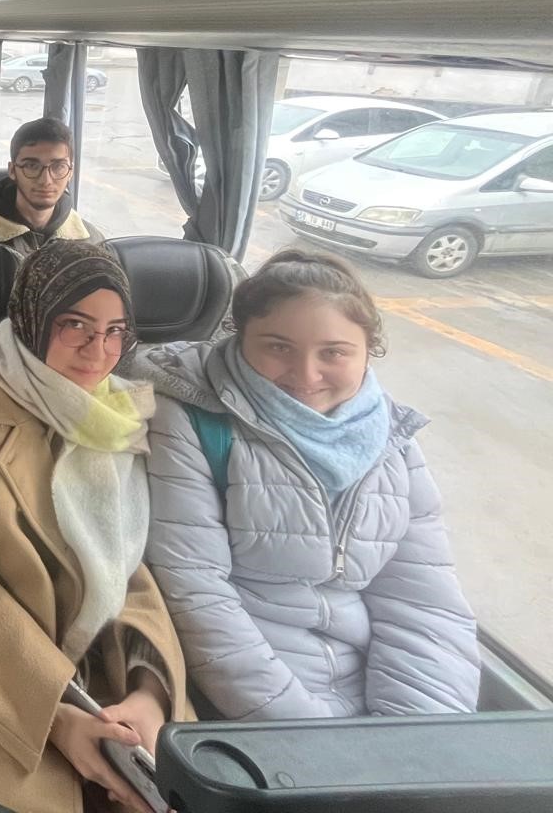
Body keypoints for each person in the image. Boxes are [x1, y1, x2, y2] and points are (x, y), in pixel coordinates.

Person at [0, 241, 187, 813]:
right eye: (75, 325)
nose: (98, 351)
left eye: (115, 331)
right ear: (32, 319)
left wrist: (151, 691)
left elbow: (130, 565)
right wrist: (54, 713)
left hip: (104, 659)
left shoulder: (120, 419)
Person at [137, 249, 479, 721]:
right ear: (238, 338)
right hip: (245, 700)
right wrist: (308, 735)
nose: (306, 375)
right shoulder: (192, 421)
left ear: (368, 351)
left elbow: (425, 602)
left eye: (333, 352)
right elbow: (196, 593)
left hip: (368, 689)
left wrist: (413, 735)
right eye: (278, 348)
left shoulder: (392, 441)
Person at [0, 117, 102, 258]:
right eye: (32, 166)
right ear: (12, 171)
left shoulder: (93, 243)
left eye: (58, 166)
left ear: (70, 172)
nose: (46, 180)